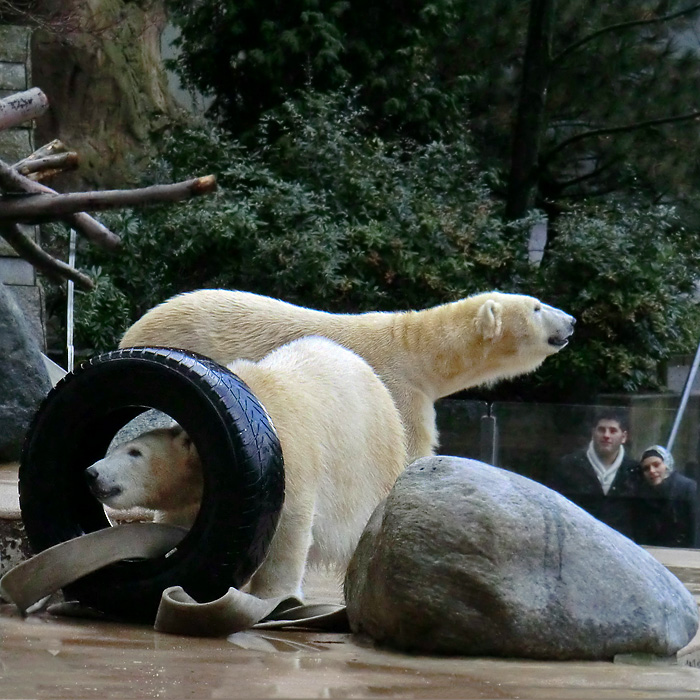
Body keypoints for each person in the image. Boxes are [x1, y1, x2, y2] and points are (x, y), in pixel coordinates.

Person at [545, 409, 640, 540]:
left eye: (613, 431)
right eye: (601, 430)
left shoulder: (635, 470)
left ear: (624, 437)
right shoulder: (568, 465)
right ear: (593, 433)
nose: (606, 435)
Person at [635, 445, 697, 548]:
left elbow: (695, 525)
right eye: (646, 468)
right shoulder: (643, 495)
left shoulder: (687, 488)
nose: (652, 471)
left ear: (666, 465)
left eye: (656, 465)